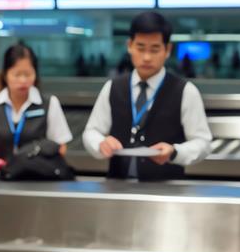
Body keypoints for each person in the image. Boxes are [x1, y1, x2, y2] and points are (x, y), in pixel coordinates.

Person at [82, 11, 212, 181]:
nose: (147, 57)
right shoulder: (113, 87)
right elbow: (91, 131)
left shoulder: (185, 91)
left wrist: (175, 152)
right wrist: (100, 143)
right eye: (140, 47)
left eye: (155, 49)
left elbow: (203, 142)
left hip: (167, 190)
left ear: (167, 49)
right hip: (117, 187)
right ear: (130, 45)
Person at [0, 43, 73, 170]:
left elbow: (61, 145)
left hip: (37, 177)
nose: (23, 80)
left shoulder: (49, 103)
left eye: (28, 74)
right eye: (17, 74)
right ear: (5, 75)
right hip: (2, 176)